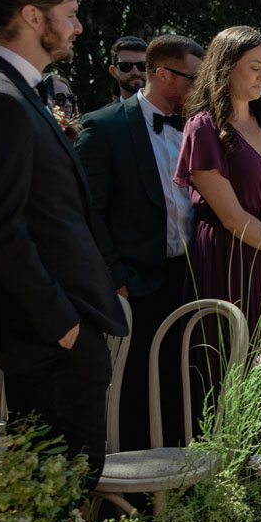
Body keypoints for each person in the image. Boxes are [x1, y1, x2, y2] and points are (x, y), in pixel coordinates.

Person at [0, 0, 128, 482]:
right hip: (43, 348)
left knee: (57, 511)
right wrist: (63, 327)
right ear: (31, 16)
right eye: (69, 14)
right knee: (62, 511)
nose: (78, 26)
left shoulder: (0, 85)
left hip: (48, 343)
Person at [75, 33, 204, 450]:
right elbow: (88, 211)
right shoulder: (104, 126)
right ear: (164, 74)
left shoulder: (197, 127)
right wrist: (115, 278)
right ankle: (136, 493)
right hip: (136, 283)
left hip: (192, 277)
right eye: (193, 78)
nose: (200, 88)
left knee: (185, 385)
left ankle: (184, 478)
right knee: (135, 392)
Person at [175, 26, 261, 335]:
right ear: (226, 68)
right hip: (230, 258)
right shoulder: (203, 128)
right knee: (233, 360)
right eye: (254, 68)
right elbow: (232, 218)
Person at [108, 35, 147, 102]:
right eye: (126, 66)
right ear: (113, 71)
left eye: (142, 65)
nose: (135, 72)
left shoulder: (168, 110)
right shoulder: (106, 112)